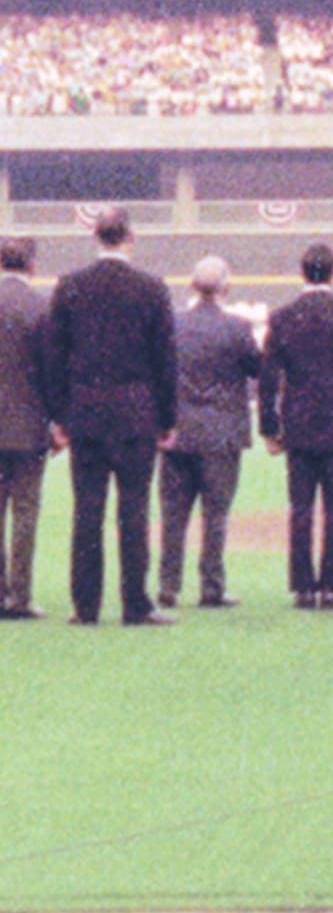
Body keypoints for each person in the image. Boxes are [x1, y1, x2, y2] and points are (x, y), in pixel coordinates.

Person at [40, 207, 177, 628]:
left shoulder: (70, 286)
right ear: (129, 238)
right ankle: (136, 604)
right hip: (137, 413)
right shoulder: (152, 288)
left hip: (86, 413)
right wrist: (167, 419)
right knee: (134, 512)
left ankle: (86, 607)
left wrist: (58, 414)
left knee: (88, 511)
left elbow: (53, 356)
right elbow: (165, 360)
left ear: (95, 237)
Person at [258, 241, 333, 612]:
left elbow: (267, 377)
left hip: (299, 424)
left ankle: (303, 588)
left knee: (300, 508)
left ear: (302, 272)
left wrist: (269, 427)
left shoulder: (282, 317)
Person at [157, 254, 260, 612]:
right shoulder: (237, 327)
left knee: (173, 514)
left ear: (191, 286)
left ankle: (168, 586)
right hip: (221, 433)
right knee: (216, 515)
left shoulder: (172, 325)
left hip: (178, 431)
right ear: (226, 287)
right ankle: (212, 587)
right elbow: (255, 368)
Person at [0, 237, 53, 619]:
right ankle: (20, 596)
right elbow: (54, 372)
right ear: (31, 266)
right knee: (25, 512)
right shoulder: (42, 307)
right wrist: (59, 422)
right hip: (29, 425)